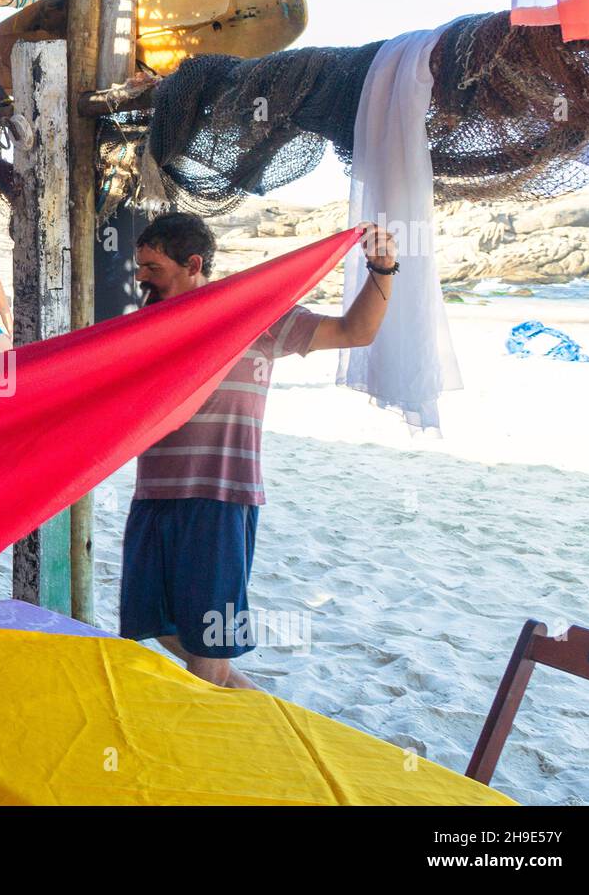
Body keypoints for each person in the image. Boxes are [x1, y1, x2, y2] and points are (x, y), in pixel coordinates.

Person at [121, 214, 398, 690]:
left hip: (222, 495)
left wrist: (383, 269)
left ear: (193, 265)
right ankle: (251, 703)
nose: (141, 277)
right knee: (155, 621)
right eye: (139, 266)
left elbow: (356, 332)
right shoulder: (146, 325)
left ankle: (211, 731)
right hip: (154, 493)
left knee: (212, 638)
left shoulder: (255, 316)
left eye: (153, 267)